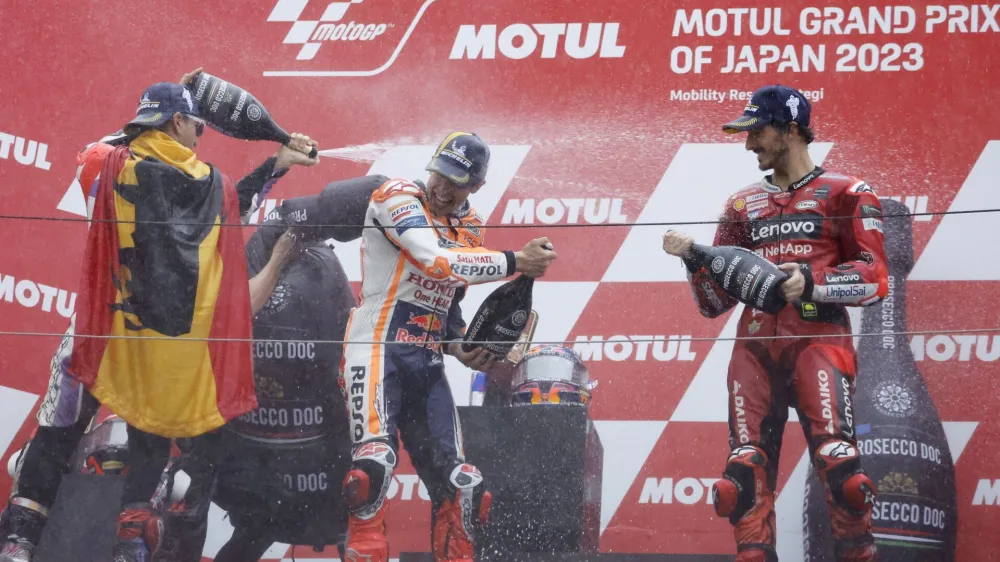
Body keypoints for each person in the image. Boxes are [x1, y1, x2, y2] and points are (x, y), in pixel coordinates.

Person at [0, 75, 318, 562]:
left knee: (57, 432)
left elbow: (95, 149)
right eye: (197, 127)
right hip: (160, 350)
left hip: (99, 335)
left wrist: (148, 117)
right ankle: (130, 548)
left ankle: (18, 544)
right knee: (152, 434)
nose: (201, 137)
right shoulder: (214, 186)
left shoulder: (103, 166)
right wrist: (276, 166)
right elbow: (239, 209)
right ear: (178, 122)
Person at [661, 85, 888, 562]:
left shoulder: (849, 192)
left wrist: (809, 282)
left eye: (757, 132)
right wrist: (693, 261)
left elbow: (875, 281)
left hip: (819, 346)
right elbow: (713, 304)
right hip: (754, 350)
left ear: (790, 130)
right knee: (742, 478)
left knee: (843, 473)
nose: (749, 145)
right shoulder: (741, 205)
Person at [340, 132, 557, 562]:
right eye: (439, 173)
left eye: (456, 181)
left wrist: (457, 343)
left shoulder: (471, 225)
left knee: (465, 485)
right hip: (375, 348)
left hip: (427, 361)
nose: (442, 187)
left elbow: (449, 294)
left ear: (476, 186)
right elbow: (435, 260)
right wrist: (516, 262)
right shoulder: (396, 196)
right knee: (373, 467)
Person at [153, 175, 385, 562]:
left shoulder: (318, 264)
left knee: (341, 518)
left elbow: (351, 355)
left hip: (312, 452)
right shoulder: (209, 257)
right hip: (241, 446)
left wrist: (386, 193)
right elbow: (235, 314)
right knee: (198, 503)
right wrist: (278, 257)